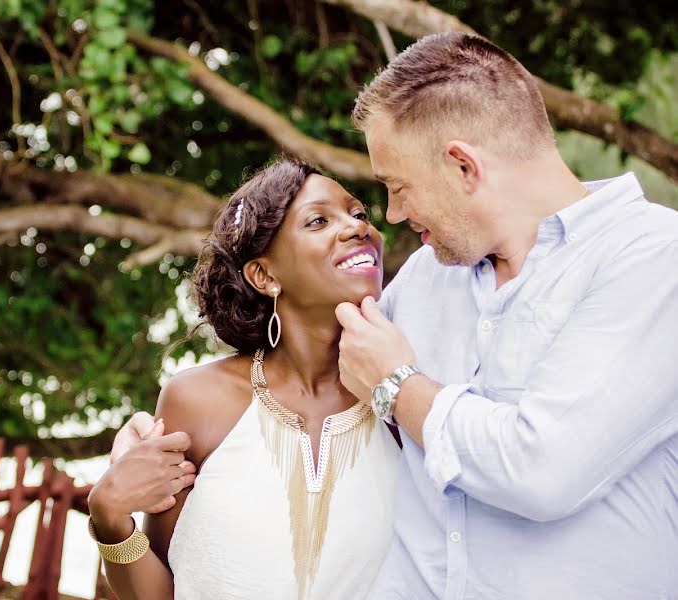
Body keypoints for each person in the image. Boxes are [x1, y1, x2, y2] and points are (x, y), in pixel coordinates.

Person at [333, 32, 678, 598]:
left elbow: (544, 469)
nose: (392, 214)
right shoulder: (422, 277)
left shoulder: (652, 257)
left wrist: (398, 386)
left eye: (398, 187)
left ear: (464, 166)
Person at [87, 160, 401, 600]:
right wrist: (109, 518)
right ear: (265, 276)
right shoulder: (196, 401)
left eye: (359, 213)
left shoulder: (403, 400)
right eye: (318, 220)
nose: (356, 227)